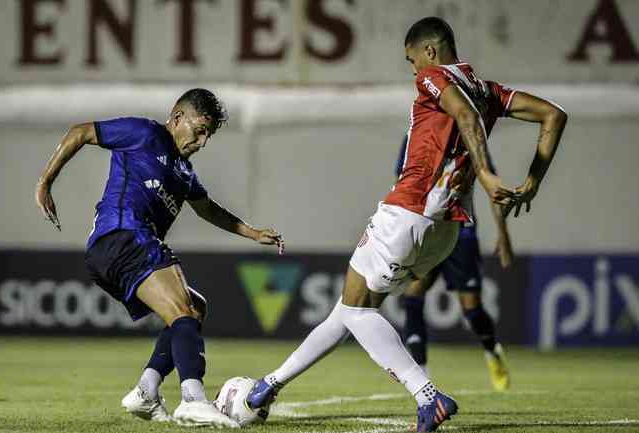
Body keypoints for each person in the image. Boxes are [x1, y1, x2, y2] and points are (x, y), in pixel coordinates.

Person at [244, 16, 567, 432]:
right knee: (351, 308)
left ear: (429, 51)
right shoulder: (489, 92)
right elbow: (554, 116)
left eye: (411, 60)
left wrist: (486, 174)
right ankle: (268, 386)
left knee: (356, 310)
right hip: (447, 229)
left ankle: (427, 395)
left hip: (409, 211)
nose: (413, 70)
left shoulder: (434, 76)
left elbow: (465, 117)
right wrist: (532, 185)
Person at [35, 88, 284, 428]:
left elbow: (208, 209)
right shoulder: (145, 133)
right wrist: (46, 181)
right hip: (123, 236)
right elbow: (81, 131)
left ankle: (146, 391)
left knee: (195, 308)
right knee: (183, 309)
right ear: (177, 118)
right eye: (199, 130)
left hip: (114, 251)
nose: (203, 141)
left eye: (208, 135)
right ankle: (193, 399)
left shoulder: (184, 172)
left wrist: (253, 233)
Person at [395, 134, 514, 391]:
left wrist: (503, 235)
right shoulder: (414, 135)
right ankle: (421, 376)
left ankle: (492, 349)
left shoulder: (470, 136)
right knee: (413, 296)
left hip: (462, 232)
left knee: (472, 310)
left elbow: (492, 186)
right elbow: (404, 183)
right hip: (428, 230)